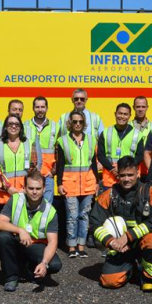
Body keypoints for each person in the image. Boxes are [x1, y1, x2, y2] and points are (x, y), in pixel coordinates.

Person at [91, 156, 152, 291]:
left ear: (137, 173)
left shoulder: (150, 193)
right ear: (117, 174)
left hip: (142, 243)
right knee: (109, 281)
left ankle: (147, 277)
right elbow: (95, 223)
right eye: (123, 175)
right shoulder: (108, 195)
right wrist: (111, 242)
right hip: (120, 247)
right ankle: (131, 268)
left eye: (130, 175)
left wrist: (127, 236)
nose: (126, 179)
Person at [0, 170, 62, 291]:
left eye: (38, 188)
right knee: (3, 237)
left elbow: (52, 242)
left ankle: (30, 267)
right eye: (31, 188)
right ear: (24, 188)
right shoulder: (15, 199)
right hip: (17, 240)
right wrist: (20, 230)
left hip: (36, 245)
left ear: (44, 189)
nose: (34, 192)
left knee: (54, 265)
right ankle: (11, 277)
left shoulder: (51, 211)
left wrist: (44, 263)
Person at [56, 110, 98, 257]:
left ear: (84, 123)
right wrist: (59, 184)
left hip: (88, 183)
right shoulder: (63, 140)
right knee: (72, 216)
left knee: (84, 215)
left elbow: (93, 163)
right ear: (70, 123)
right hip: (69, 184)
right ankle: (72, 246)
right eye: (75, 122)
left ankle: (81, 246)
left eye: (80, 121)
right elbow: (60, 164)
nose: (78, 124)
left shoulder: (92, 140)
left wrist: (97, 183)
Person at [0, 114, 38, 218]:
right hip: (4, 196)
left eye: (17, 124)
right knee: (4, 231)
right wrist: (10, 189)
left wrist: (26, 189)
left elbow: (33, 168)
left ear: (21, 127)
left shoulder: (30, 144)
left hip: (25, 194)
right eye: (10, 123)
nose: (14, 126)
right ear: (5, 126)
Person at [98, 103, 143, 189]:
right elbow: (100, 155)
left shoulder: (137, 134)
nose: (122, 116)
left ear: (130, 115)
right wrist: (112, 169)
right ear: (115, 114)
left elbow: (140, 155)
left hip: (130, 179)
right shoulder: (106, 132)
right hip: (110, 179)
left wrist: (126, 169)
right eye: (120, 113)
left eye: (125, 114)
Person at [23, 96, 58, 204]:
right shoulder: (25, 126)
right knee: (28, 204)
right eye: (37, 107)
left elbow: (59, 151)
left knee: (47, 206)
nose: (40, 110)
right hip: (30, 174)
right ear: (33, 108)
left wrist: (54, 171)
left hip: (47, 175)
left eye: (43, 107)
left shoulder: (55, 126)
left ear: (47, 108)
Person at [131, 96, 152, 179]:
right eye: (138, 106)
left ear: (147, 108)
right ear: (133, 108)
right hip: (132, 172)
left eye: (143, 107)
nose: (140, 109)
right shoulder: (127, 127)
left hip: (149, 171)